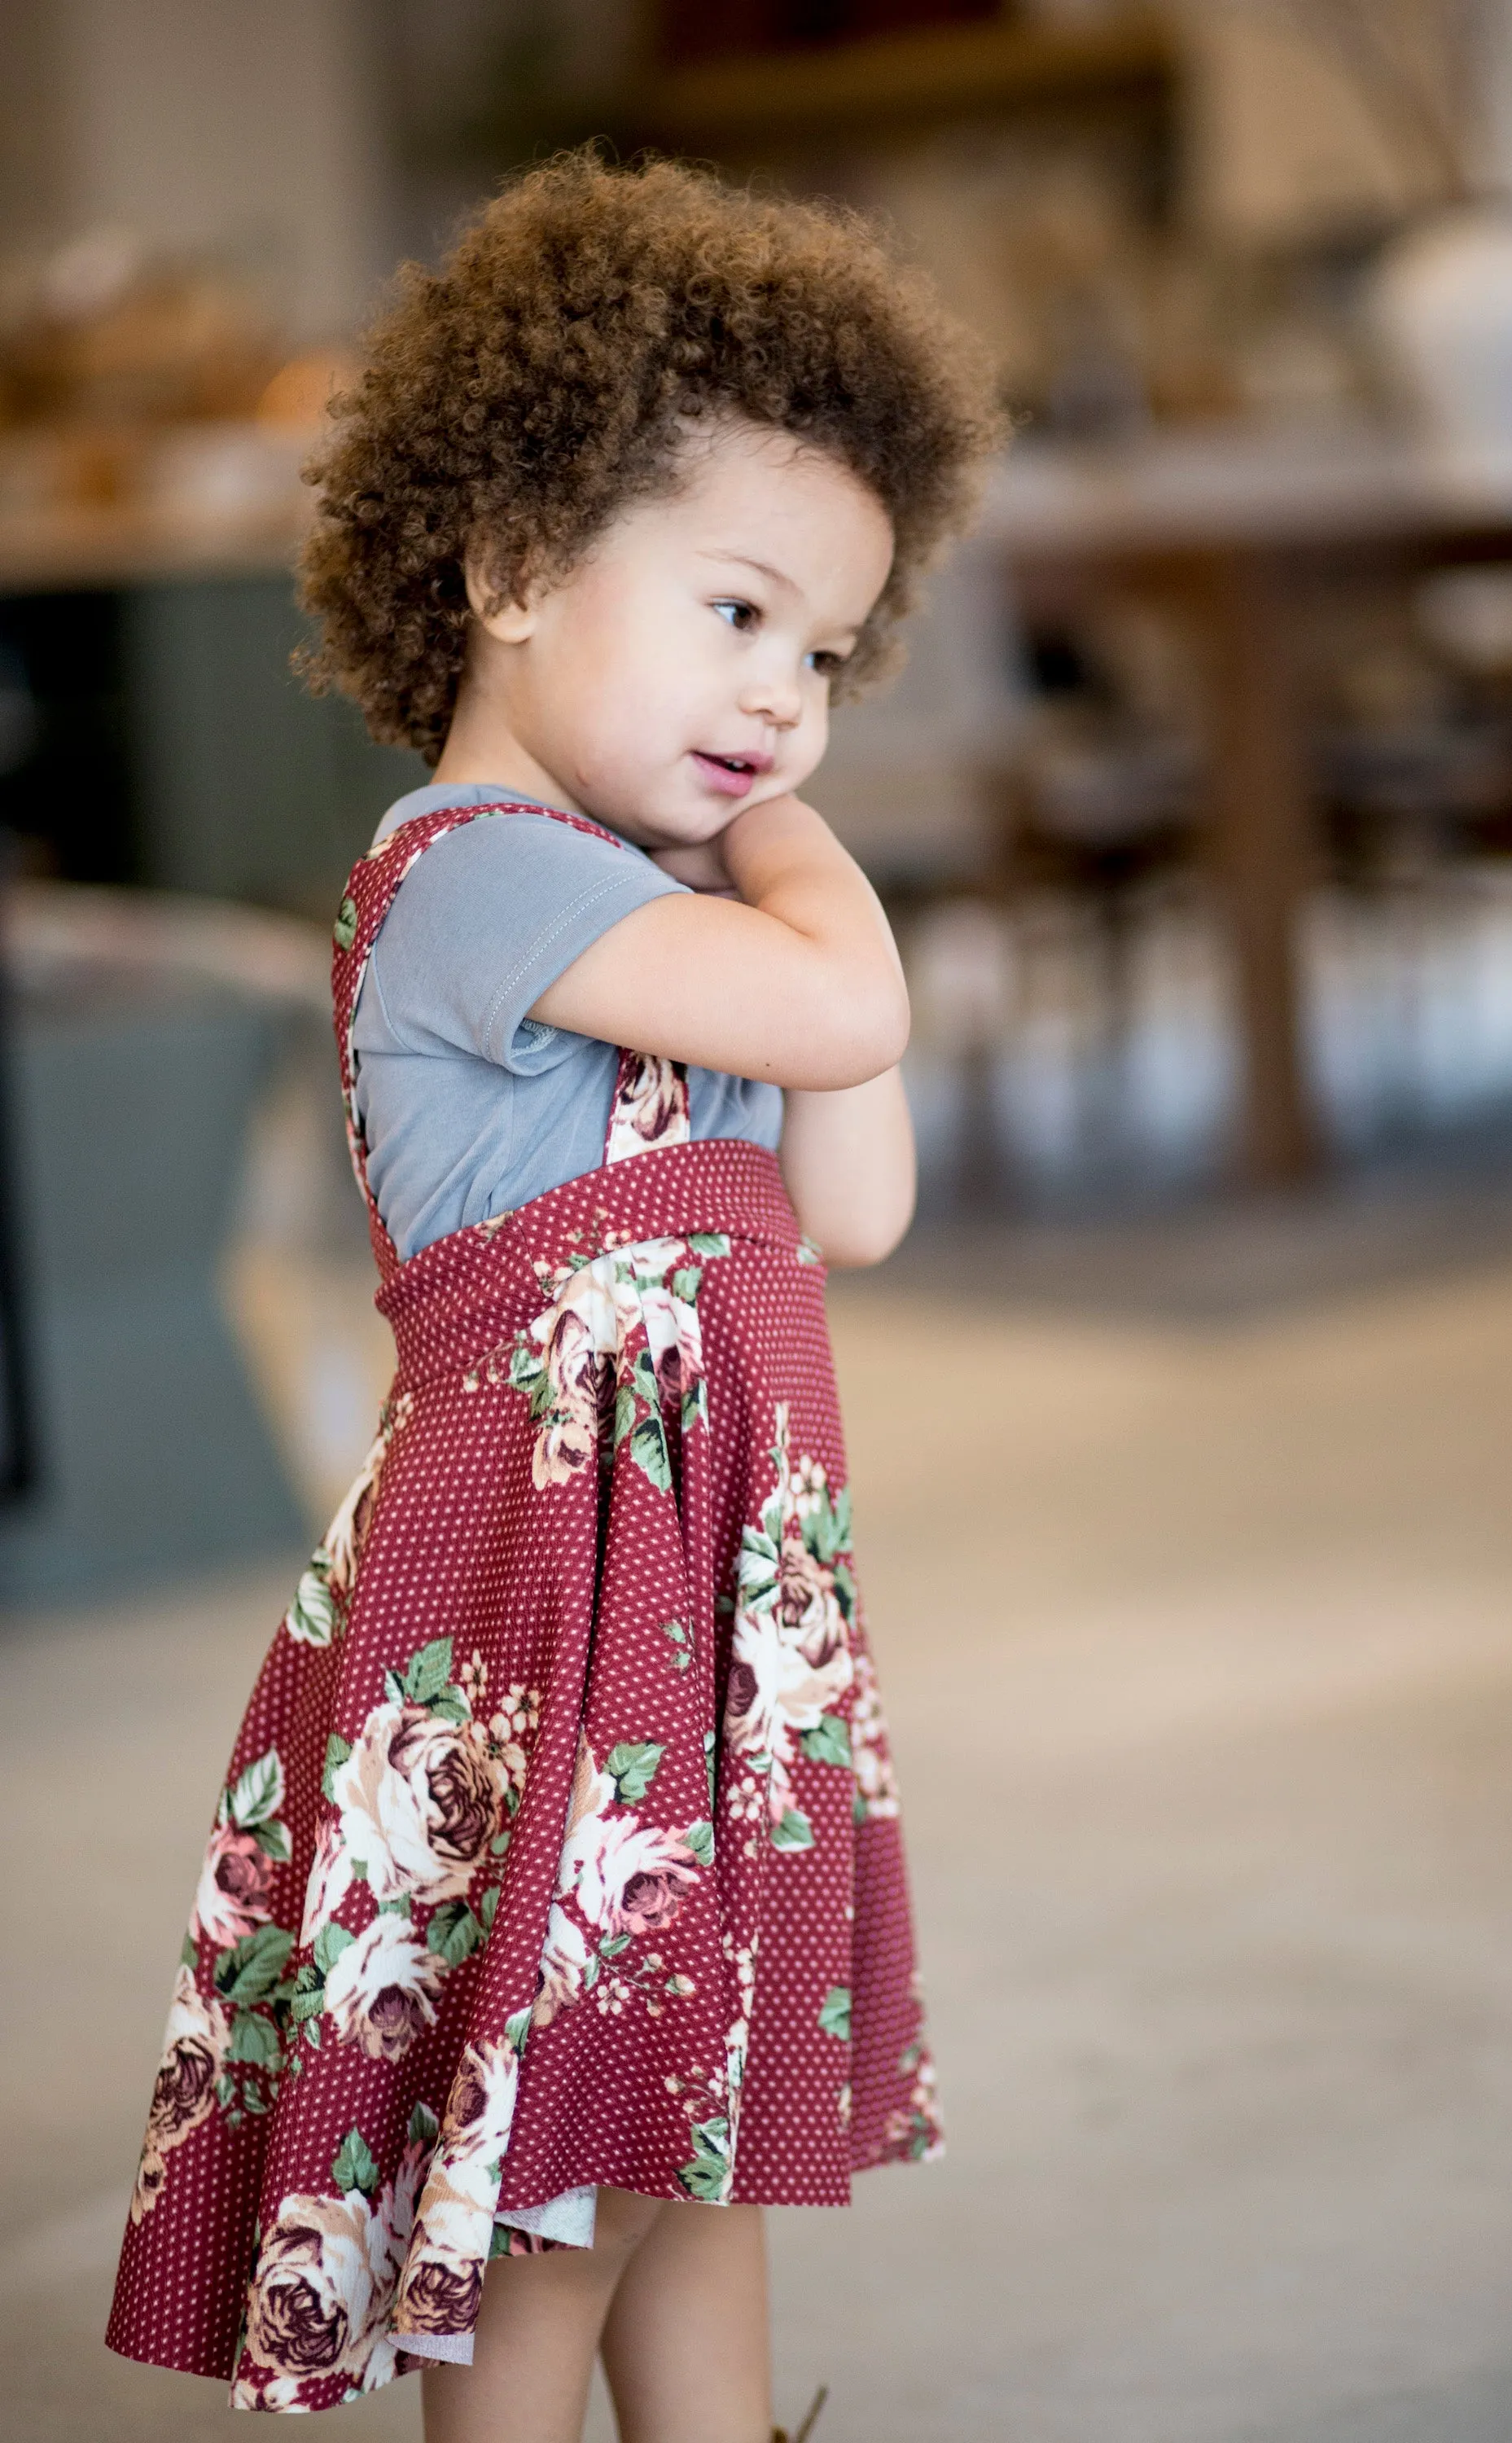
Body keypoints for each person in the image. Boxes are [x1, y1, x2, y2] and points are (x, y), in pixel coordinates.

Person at [106, 153, 1007, 2441]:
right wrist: (794, 855)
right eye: (734, 616)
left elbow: (863, 1184)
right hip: (529, 1609)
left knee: (691, 2134)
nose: (786, 703)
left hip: (690, 1608)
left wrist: (762, 871)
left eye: (823, 655)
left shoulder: (658, 919)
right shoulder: (477, 876)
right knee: (551, 2169)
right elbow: (841, 1012)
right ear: (513, 569)